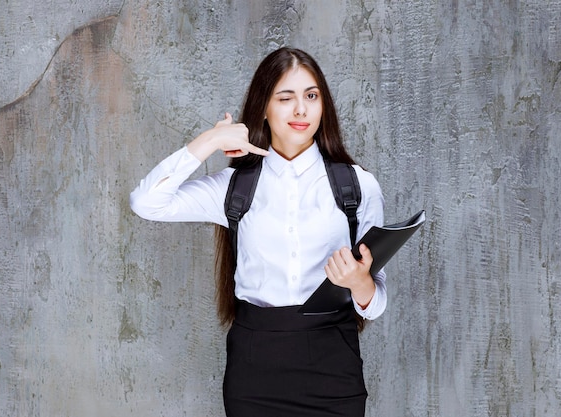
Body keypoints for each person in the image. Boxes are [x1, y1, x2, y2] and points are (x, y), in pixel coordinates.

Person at [130, 47, 386, 417]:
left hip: (334, 367)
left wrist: (360, 283)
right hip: (255, 369)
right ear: (263, 107)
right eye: (286, 98)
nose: (301, 110)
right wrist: (211, 142)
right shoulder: (234, 187)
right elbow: (146, 202)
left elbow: (376, 303)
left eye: (311, 96)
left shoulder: (358, 186)